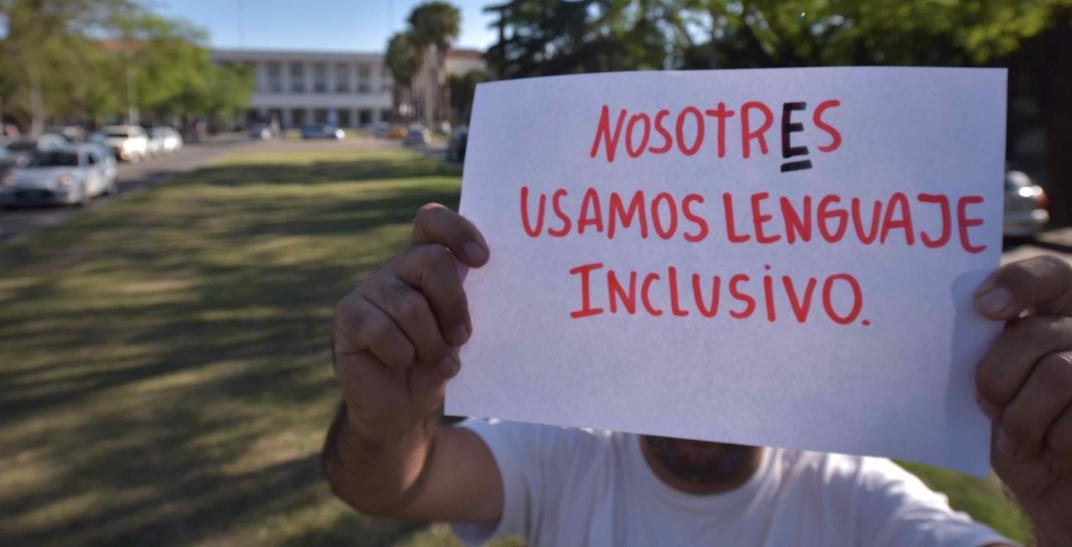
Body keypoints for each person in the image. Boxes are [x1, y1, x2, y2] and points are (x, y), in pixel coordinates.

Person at [323, 203, 1072, 546]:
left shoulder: (857, 501)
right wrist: (386, 424)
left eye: (731, 338)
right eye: (674, 337)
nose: (702, 385)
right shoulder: (568, 453)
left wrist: (1061, 511)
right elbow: (387, 483)